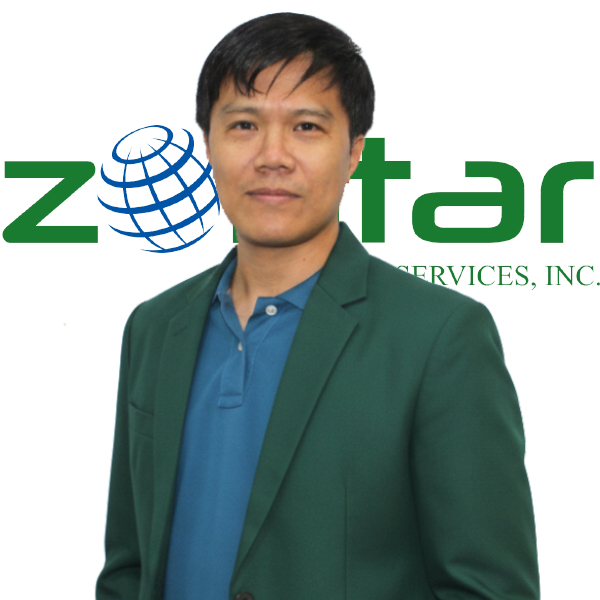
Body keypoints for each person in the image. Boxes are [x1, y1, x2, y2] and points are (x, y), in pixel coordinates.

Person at [96, 12, 540, 600]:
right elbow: (128, 568)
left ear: (354, 152)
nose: (272, 155)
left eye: (306, 126)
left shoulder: (439, 336)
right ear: (207, 146)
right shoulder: (154, 327)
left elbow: (490, 589)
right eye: (244, 124)